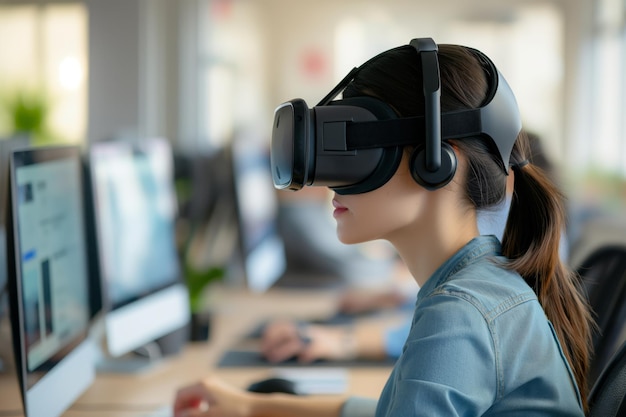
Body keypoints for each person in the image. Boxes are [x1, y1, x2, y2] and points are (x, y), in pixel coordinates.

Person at [173, 39, 593, 416]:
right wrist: (252, 407)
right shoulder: (473, 289)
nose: (330, 181)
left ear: (437, 162)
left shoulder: (462, 314)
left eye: (357, 148)